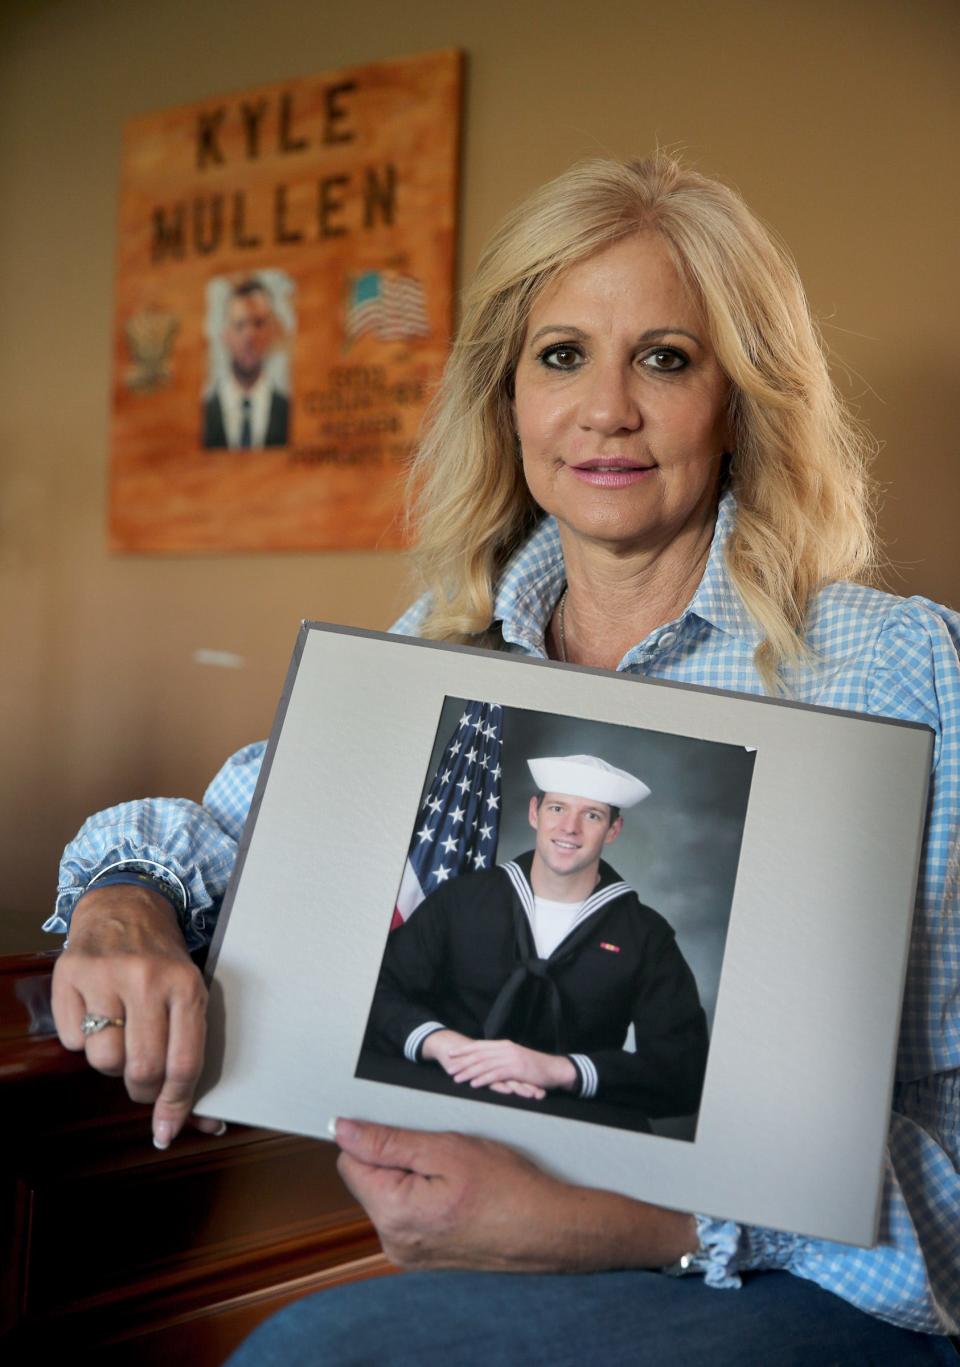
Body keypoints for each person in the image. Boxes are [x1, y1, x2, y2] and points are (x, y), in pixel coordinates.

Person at [48, 154, 959, 1362]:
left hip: (810, 1293)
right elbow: (226, 836)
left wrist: (655, 1219)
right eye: (562, 354)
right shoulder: (443, 645)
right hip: (493, 1266)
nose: (606, 410)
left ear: (744, 395)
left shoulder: (903, 672)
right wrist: (124, 900)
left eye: (668, 358)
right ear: (509, 395)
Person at [363, 753, 708, 1120]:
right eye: (557, 808)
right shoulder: (461, 900)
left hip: (572, 1117)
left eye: (591, 815)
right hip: (445, 1093)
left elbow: (683, 1074)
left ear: (613, 830)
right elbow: (373, 992)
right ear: (534, 812)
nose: (569, 828)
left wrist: (557, 1071)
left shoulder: (646, 936)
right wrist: (446, 1046)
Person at [202, 276, 290, 449]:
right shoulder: (202, 415)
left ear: (272, 332)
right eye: (240, 325)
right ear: (225, 334)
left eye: (258, 323)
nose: (249, 336)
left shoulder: (289, 413)